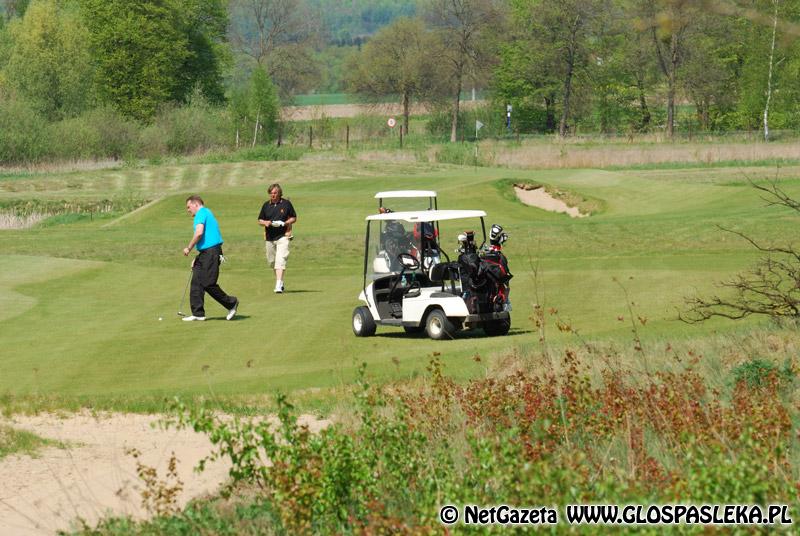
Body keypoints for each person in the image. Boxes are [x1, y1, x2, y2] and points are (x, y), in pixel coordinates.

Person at [182, 195, 239, 321]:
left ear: (196, 204)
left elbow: (199, 233)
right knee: (196, 280)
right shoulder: (206, 212)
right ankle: (198, 314)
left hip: (212, 252)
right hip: (206, 253)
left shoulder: (201, 213)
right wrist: (198, 257)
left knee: (208, 283)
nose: (188, 210)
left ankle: (232, 303)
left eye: (189, 207)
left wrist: (189, 248)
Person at [257, 183, 297, 293]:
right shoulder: (266, 205)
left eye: (275, 193)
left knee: (280, 260)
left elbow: (294, 218)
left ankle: (278, 285)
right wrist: (266, 222)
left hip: (284, 236)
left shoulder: (286, 204)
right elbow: (260, 220)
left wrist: (284, 223)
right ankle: (280, 281)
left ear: (279, 193)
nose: (273, 195)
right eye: (271, 193)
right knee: (272, 262)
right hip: (269, 237)